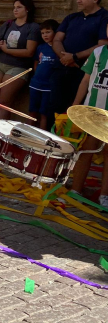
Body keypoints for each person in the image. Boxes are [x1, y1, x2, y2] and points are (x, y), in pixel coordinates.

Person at [50, 0, 108, 117]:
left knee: (76, 113)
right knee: (55, 111)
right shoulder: (71, 17)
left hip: (83, 74)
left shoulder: (104, 17)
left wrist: (75, 57)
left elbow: (102, 45)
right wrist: (65, 58)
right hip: (61, 70)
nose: (78, 1)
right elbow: (57, 40)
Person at [0, 0, 40, 120]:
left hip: (18, 67)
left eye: (19, 7)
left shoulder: (33, 27)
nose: (15, 10)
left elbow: (29, 52)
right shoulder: (8, 24)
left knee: (4, 103)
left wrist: (7, 50)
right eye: (14, 7)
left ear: (27, 9)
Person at [68, 43, 108, 206]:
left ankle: (104, 196)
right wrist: (75, 106)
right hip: (92, 112)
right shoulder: (98, 52)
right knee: (86, 149)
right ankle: (76, 190)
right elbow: (86, 80)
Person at [28, 19, 59, 131]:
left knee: (44, 113)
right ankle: (27, 133)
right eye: (42, 33)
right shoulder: (41, 47)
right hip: (35, 84)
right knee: (32, 111)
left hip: (48, 87)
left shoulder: (59, 49)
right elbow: (36, 63)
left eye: (48, 32)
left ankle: (41, 136)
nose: (45, 35)